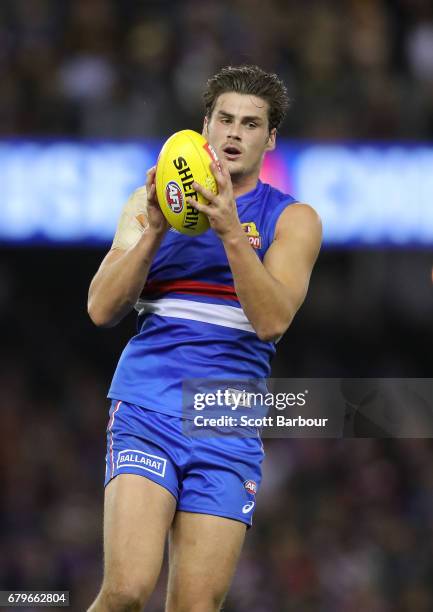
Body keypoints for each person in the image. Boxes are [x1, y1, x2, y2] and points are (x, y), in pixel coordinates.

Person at [87, 65, 322, 612]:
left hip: (228, 420)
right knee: (125, 591)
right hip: (150, 403)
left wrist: (228, 229)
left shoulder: (294, 220)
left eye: (250, 124)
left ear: (270, 139)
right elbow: (100, 308)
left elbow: (272, 321)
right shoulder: (144, 204)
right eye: (225, 120)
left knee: (194, 607)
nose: (234, 133)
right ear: (205, 126)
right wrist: (156, 230)